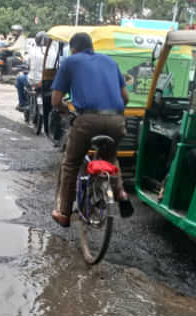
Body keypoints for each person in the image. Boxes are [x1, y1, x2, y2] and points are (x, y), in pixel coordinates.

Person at [50, 32, 130, 227]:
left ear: (74, 48)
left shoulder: (70, 61)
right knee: (110, 158)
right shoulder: (110, 62)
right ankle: (120, 192)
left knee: (70, 163)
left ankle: (64, 213)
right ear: (92, 46)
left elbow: (55, 101)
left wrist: (65, 111)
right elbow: (125, 97)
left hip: (87, 120)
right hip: (117, 120)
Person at [16, 30, 48, 112]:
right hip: (46, 82)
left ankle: (22, 103)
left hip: (32, 80)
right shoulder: (51, 51)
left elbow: (27, 63)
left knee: (19, 79)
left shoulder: (32, 50)